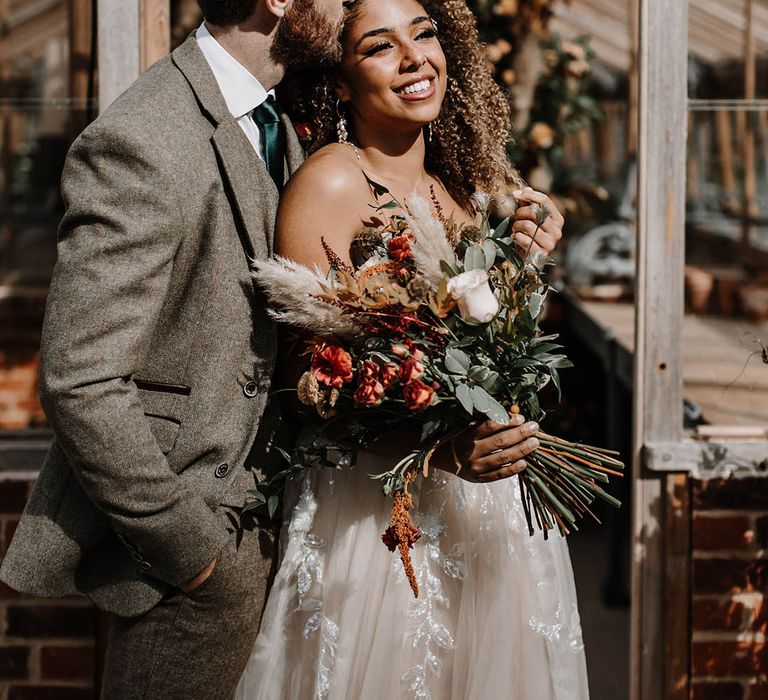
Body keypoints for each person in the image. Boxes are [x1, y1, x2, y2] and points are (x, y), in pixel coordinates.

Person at [235, 0, 589, 698]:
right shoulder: (332, 184)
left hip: (493, 519)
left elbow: (495, 330)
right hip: (380, 524)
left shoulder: (462, 185)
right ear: (339, 81)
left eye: (423, 34)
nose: (413, 57)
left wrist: (532, 238)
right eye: (379, 46)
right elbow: (309, 385)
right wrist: (443, 449)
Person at [0, 1, 344, 697]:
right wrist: (195, 556)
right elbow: (80, 379)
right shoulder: (143, 137)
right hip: (191, 571)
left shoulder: (284, 119)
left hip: (287, 536)